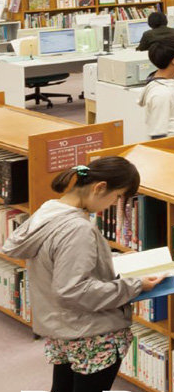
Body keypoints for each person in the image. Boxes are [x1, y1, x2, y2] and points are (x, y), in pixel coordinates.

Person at [1, 157, 160, 392]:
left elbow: (63, 264)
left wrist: (108, 262)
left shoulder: (50, 211)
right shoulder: (78, 229)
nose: (113, 204)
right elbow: (73, 289)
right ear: (100, 188)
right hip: (91, 333)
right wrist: (134, 286)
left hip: (63, 327)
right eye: (116, 197)